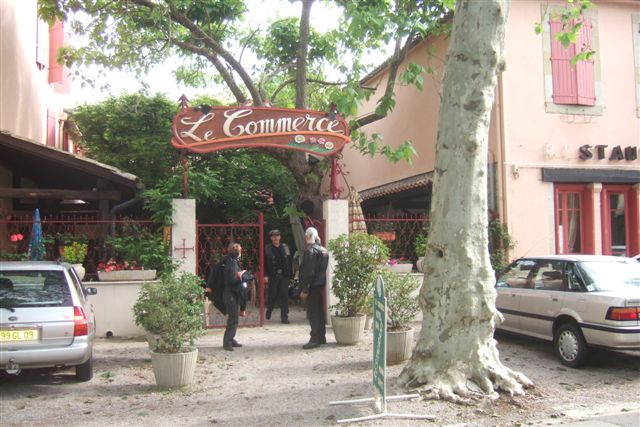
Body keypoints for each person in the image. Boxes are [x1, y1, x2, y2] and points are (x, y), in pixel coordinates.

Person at [298, 227, 329, 349]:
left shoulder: (310, 251)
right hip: (319, 284)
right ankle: (321, 337)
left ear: (307, 237)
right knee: (319, 311)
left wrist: (305, 289)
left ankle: (315, 339)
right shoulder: (323, 250)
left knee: (313, 312)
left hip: (312, 285)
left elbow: (309, 272)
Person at [222, 243, 249, 351]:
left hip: (231, 293)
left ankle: (231, 339)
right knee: (233, 319)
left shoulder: (231, 261)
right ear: (238, 253)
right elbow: (232, 280)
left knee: (233, 319)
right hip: (231, 294)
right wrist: (241, 275)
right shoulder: (232, 263)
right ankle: (227, 342)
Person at [264, 229, 293, 324]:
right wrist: (265, 275)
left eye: (278, 236)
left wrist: (291, 275)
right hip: (273, 275)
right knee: (272, 294)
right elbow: (264, 263)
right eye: (274, 236)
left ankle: (284, 317)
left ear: (280, 237)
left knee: (284, 295)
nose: (276, 238)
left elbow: (289, 261)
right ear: (271, 238)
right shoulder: (267, 248)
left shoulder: (285, 247)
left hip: (284, 275)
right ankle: (269, 310)